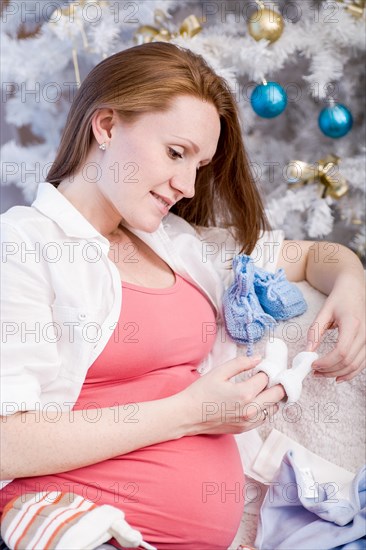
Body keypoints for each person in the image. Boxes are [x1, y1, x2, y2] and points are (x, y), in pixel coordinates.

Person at [0, 42, 364, 550]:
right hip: (71, 526)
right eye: (176, 153)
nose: (189, 186)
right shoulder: (22, 244)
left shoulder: (176, 243)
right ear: (105, 127)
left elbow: (313, 257)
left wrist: (353, 283)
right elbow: (7, 441)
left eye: (200, 164)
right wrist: (190, 412)